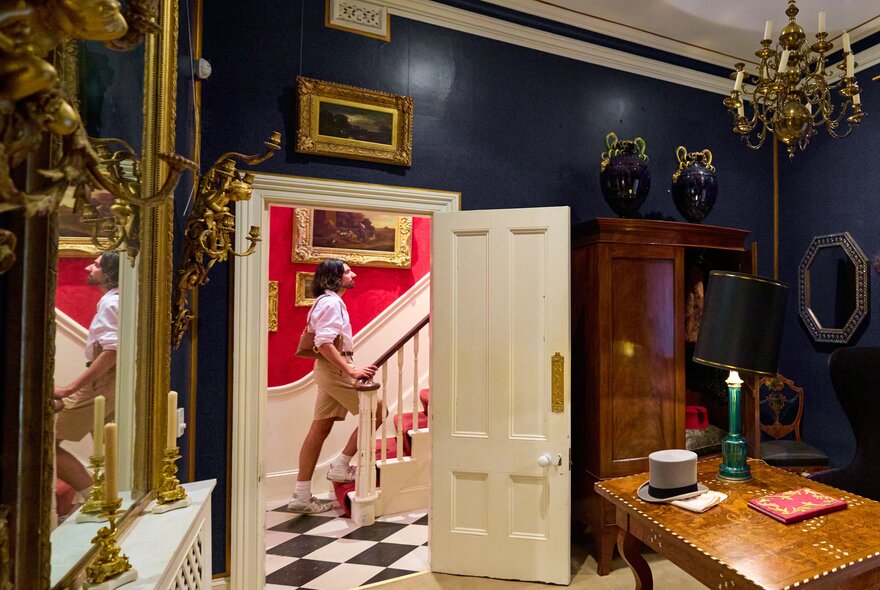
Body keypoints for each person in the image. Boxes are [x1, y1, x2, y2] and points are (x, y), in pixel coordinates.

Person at [288, 259, 379, 514]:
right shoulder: (331, 303)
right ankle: (341, 465)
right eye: (348, 272)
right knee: (378, 410)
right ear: (335, 278)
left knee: (319, 429)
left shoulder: (327, 301)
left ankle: (301, 495)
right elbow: (324, 343)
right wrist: (351, 370)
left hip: (328, 369)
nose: (354, 275)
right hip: (335, 369)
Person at [54, 251, 120, 501]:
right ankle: (106, 497)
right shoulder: (117, 300)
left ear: (110, 273)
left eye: (96, 265)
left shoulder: (110, 303)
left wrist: (69, 389)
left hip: (102, 382)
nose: (88, 268)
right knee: (109, 444)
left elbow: (111, 352)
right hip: (110, 382)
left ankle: (94, 498)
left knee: (44, 442)